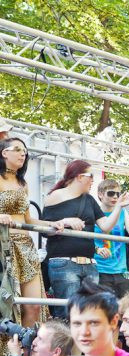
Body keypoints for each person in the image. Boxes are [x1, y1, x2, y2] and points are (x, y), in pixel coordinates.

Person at [42, 160, 129, 318]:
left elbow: (106, 227)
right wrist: (65, 222)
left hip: (90, 265)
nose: (93, 180)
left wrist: (119, 206)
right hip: (65, 263)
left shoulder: (89, 200)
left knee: (88, 315)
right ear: (79, 177)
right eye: (90, 176)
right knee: (68, 315)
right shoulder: (55, 196)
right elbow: (44, 230)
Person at [0, 138, 64, 330]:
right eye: (18, 149)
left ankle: (25, 352)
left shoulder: (22, 183)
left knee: (34, 305)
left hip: (26, 248)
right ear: (4, 153)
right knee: (7, 306)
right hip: (4, 248)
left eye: (25, 151)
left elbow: (28, 220)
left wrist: (52, 224)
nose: (23, 154)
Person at [94, 179, 129, 298]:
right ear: (100, 194)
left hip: (121, 269)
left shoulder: (122, 212)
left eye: (118, 194)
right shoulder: (94, 212)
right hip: (100, 269)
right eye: (111, 193)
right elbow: (86, 239)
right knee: (105, 310)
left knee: (126, 309)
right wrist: (97, 249)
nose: (115, 197)